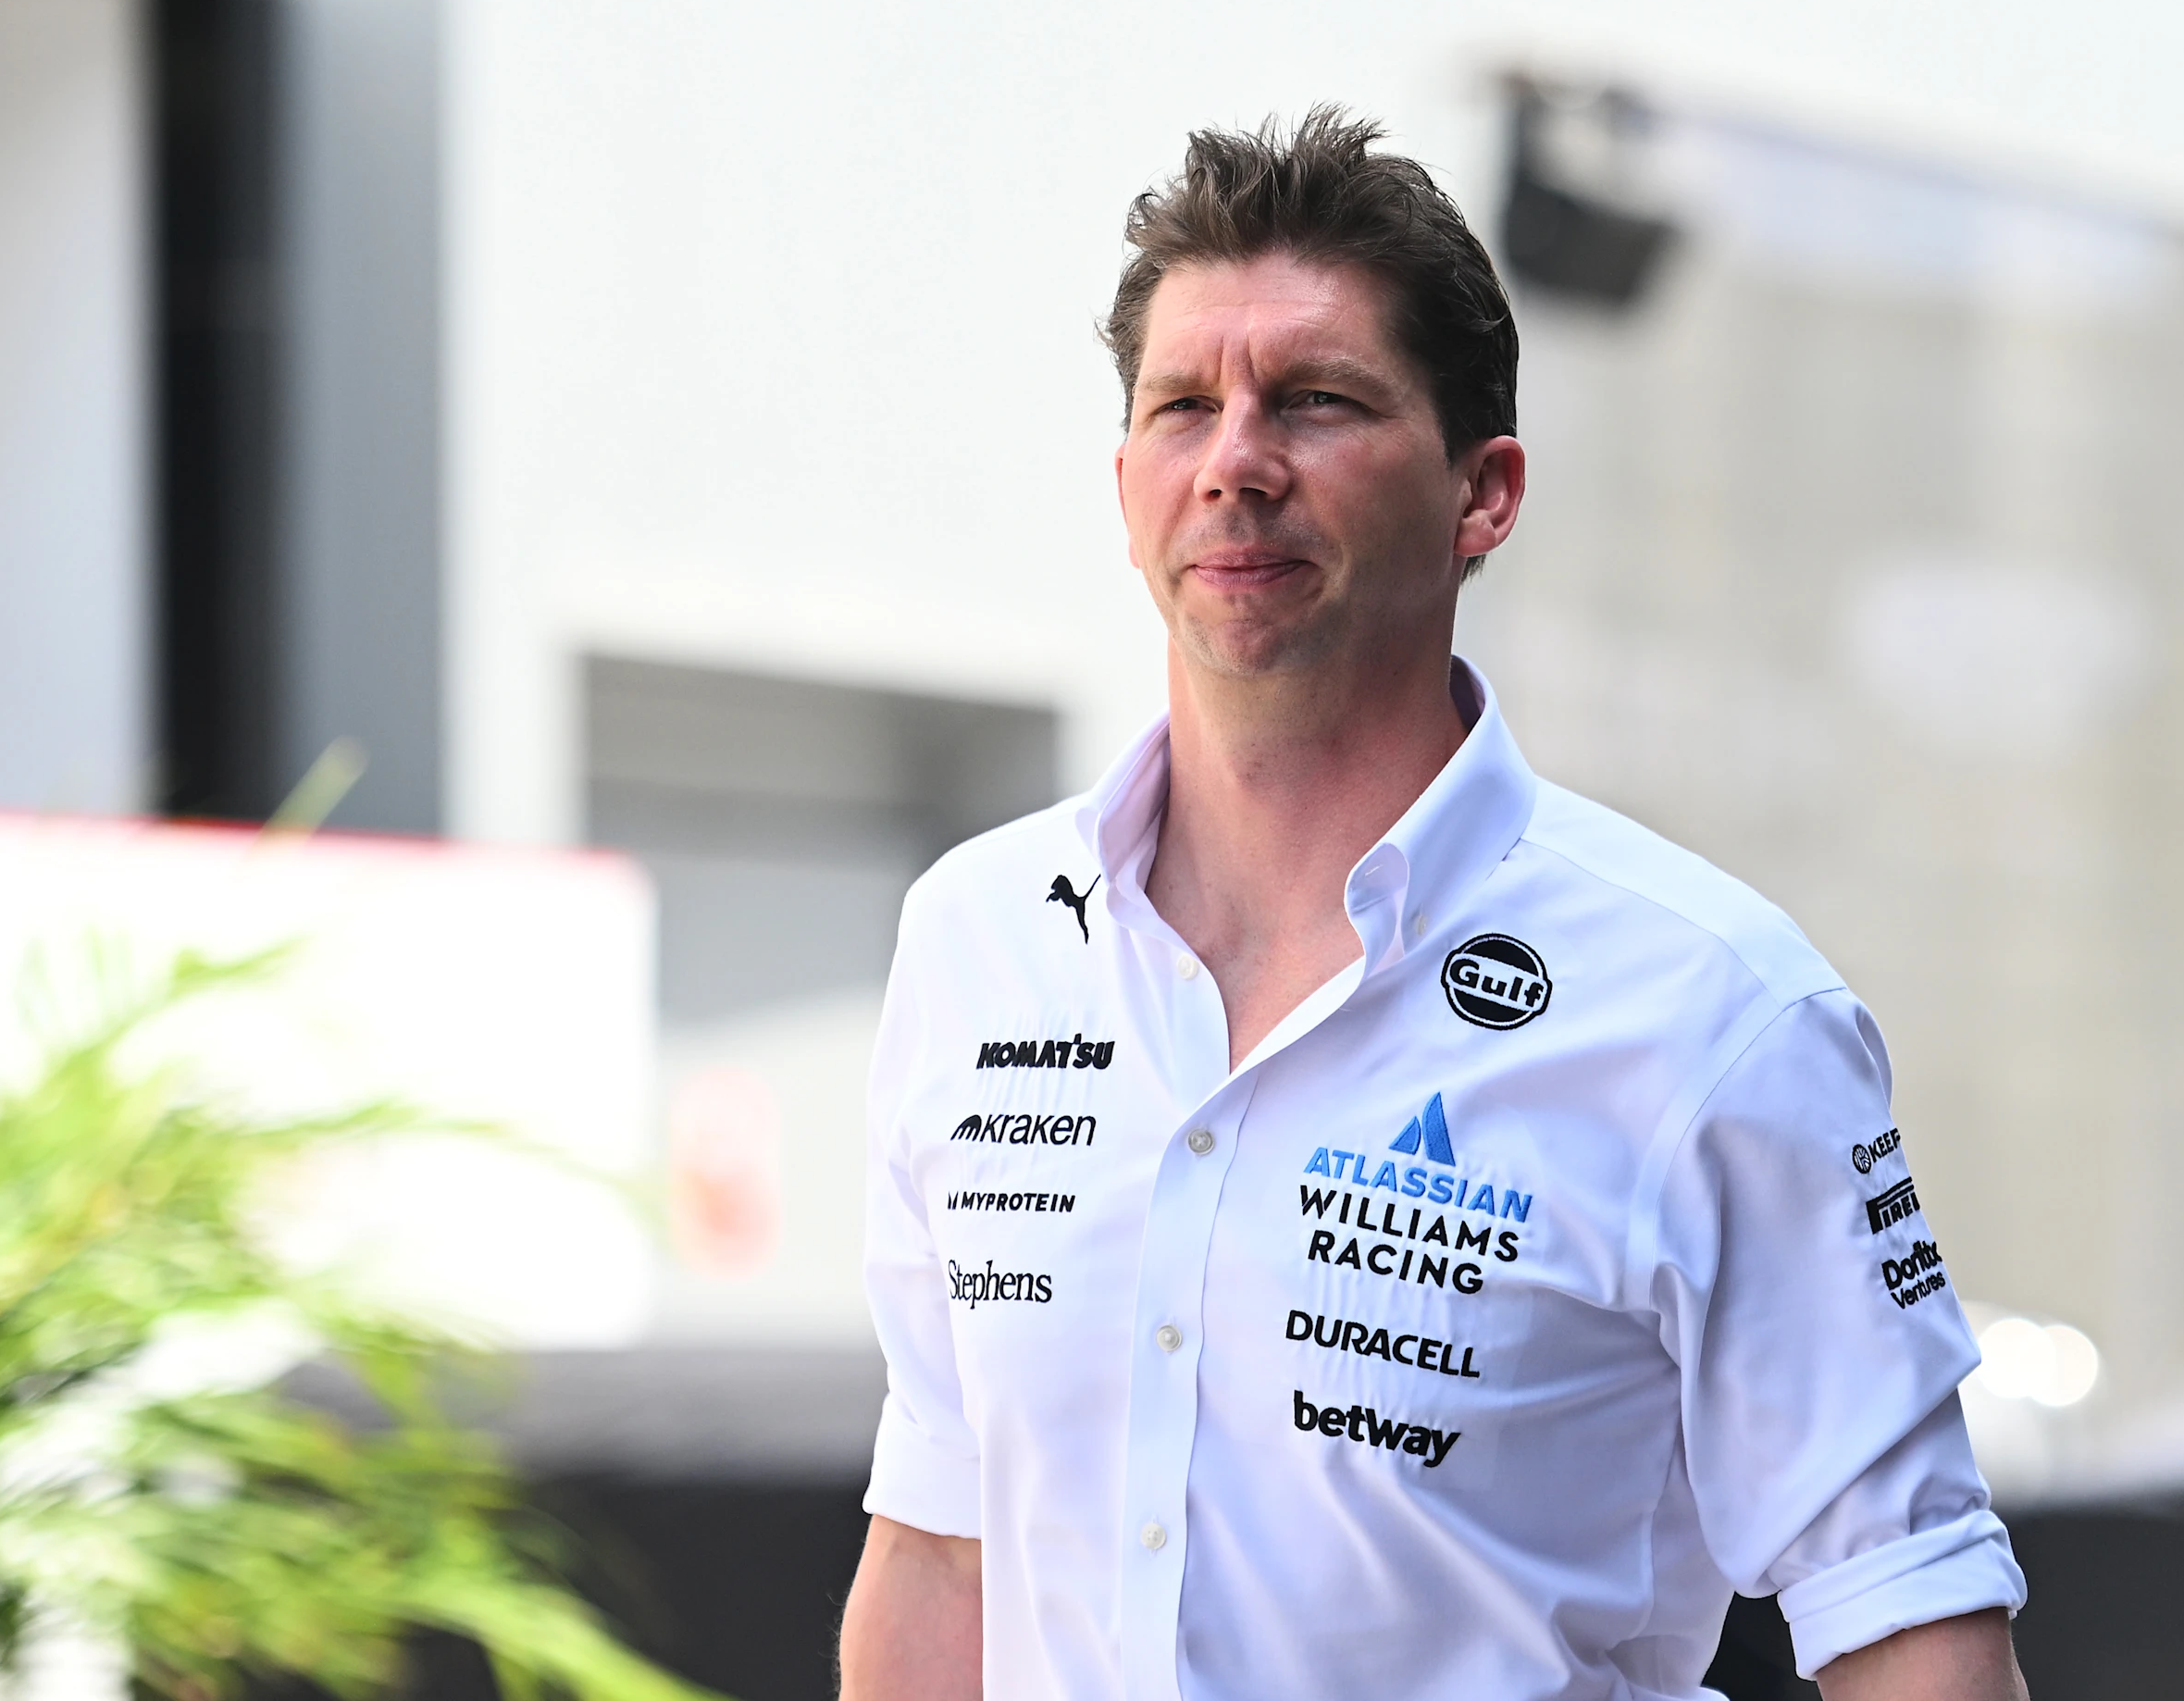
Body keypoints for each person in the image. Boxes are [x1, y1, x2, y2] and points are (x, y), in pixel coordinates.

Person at [839, 107, 2029, 1701]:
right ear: (1126, 483)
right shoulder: (976, 941)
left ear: (1485, 496)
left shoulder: (1722, 1016)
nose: (1237, 462)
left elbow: (1916, 1639)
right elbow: (940, 1552)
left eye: (1317, 403)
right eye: (1184, 405)